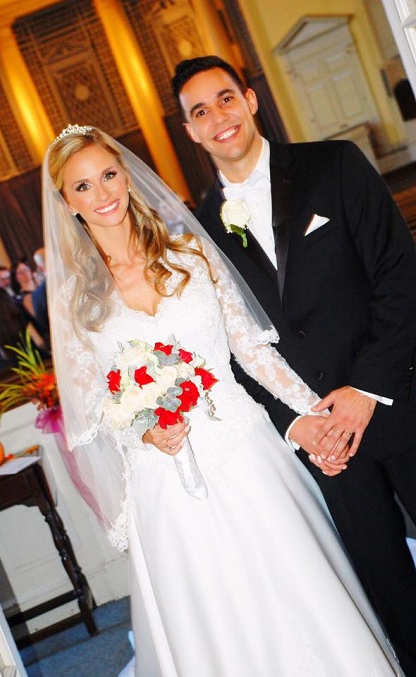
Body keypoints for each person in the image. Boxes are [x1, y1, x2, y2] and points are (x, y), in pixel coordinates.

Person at [43, 125, 402, 676]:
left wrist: (316, 418)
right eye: (83, 186)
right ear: (66, 202)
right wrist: (143, 430)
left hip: (245, 450)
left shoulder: (191, 253)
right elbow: (92, 404)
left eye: (109, 175)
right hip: (166, 482)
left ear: (128, 176)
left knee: (299, 595)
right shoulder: (74, 300)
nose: (104, 193)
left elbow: (255, 355)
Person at [172, 55, 416, 675]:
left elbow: (399, 275)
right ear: (191, 131)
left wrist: (366, 389)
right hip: (323, 440)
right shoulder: (198, 231)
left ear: (250, 101)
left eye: (225, 99)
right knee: (388, 592)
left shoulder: (333, 165)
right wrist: (299, 424)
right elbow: (228, 349)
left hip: (398, 396)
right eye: (200, 111)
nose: (217, 117)